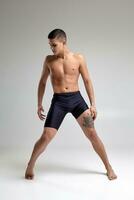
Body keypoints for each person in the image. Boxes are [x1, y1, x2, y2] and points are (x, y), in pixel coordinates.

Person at [25, 28, 117, 180]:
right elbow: (42, 82)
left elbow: (87, 81)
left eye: (54, 45)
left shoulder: (78, 58)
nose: (51, 48)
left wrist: (93, 104)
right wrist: (39, 104)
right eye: (50, 45)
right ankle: (30, 165)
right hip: (59, 101)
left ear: (63, 42)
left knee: (93, 134)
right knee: (46, 136)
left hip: (76, 101)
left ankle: (108, 167)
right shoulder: (49, 60)